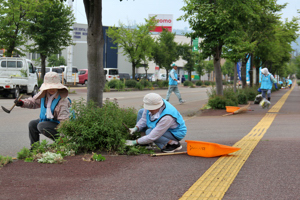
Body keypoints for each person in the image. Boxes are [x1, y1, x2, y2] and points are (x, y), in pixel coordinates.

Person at [14, 72, 71, 147]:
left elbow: (64, 121)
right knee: (32, 124)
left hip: (59, 124)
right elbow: (33, 102)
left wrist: (63, 136)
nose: (51, 89)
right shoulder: (44, 95)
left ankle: (61, 142)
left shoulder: (63, 100)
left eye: (54, 87)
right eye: (49, 87)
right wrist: (22, 103)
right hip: (47, 121)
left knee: (41, 126)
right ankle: (35, 148)